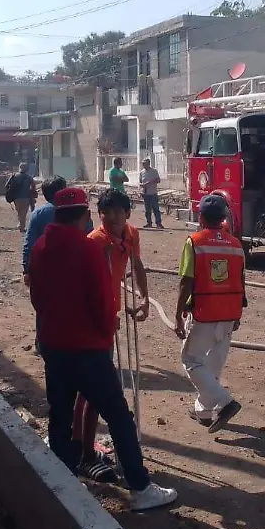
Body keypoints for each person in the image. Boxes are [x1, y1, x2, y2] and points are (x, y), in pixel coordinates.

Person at [27, 187, 177, 511]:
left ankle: (63, 482)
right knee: (120, 417)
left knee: (59, 414)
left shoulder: (40, 247)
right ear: (83, 216)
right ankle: (140, 487)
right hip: (88, 348)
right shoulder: (89, 247)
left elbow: (36, 297)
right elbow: (100, 301)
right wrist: (106, 327)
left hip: (55, 346)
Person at [74, 188, 151, 482]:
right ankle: (84, 453)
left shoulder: (131, 234)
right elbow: (82, 289)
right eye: (105, 212)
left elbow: (137, 264)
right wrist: (103, 316)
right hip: (94, 322)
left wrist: (144, 297)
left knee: (94, 389)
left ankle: (81, 442)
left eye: (118, 211)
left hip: (111, 317)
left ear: (127, 213)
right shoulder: (94, 243)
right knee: (92, 390)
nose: (111, 217)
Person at [175, 193, 246, 433]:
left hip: (205, 312)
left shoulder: (194, 242)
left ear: (201, 217)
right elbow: (241, 279)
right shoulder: (236, 244)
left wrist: (178, 313)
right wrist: (238, 315)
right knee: (213, 365)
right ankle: (203, 411)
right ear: (224, 218)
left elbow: (186, 281)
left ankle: (225, 402)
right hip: (229, 312)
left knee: (191, 360)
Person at [5, 162, 34, 232]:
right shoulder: (29, 177)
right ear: (27, 169)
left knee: (19, 212)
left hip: (16, 198)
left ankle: (21, 224)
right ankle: (22, 227)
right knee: (23, 213)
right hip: (26, 197)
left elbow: (6, 185)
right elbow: (33, 187)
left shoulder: (14, 176)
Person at [138, 158, 163, 229]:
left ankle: (158, 223)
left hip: (153, 193)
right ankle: (149, 223)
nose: (143, 165)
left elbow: (158, 180)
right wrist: (142, 185)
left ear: (148, 164)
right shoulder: (142, 172)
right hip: (145, 193)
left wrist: (150, 182)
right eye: (142, 164)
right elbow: (140, 182)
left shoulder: (154, 171)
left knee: (156, 209)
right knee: (147, 210)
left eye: (144, 163)